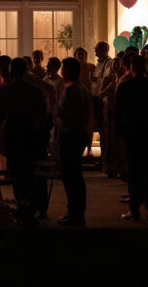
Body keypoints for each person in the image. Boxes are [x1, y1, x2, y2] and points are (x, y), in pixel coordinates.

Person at [0, 56, 48, 225]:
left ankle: (22, 206)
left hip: (13, 134)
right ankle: (31, 207)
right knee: (30, 172)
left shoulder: (6, 90)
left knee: (16, 173)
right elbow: (42, 114)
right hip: (30, 134)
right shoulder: (35, 90)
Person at [114, 54, 148, 221]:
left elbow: (118, 113)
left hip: (132, 134)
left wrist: (120, 132)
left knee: (134, 172)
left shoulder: (125, 87)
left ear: (130, 68)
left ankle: (134, 209)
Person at [56, 57, 92, 226]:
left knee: (70, 175)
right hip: (78, 133)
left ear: (68, 71)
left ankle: (75, 212)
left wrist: (56, 115)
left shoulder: (71, 90)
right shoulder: (82, 88)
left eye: (63, 69)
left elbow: (68, 114)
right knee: (75, 174)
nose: (61, 72)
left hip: (70, 134)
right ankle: (76, 211)